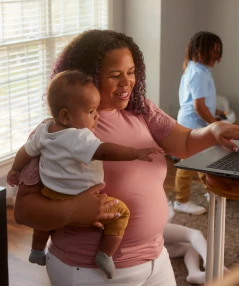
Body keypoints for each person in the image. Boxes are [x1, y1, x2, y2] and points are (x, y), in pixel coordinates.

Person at [14, 29, 239, 286]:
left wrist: (213, 130)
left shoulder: (141, 110)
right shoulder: (57, 133)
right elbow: (24, 210)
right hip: (89, 272)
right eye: (115, 75)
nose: (127, 83)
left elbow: (183, 142)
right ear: (87, 78)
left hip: (156, 259)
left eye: (131, 72)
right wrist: (71, 211)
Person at [7, 70, 163, 279]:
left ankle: (36, 250)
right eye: (91, 112)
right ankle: (105, 254)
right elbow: (104, 150)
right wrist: (135, 153)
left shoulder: (44, 131)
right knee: (121, 214)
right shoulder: (78, 138)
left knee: (44, 225)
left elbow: (25, 152)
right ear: (65, 116)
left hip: (50, 194)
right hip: (82, 198)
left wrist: (15, 170)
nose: (96, 116)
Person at [174, 31, 226, 215]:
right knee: (189, 162)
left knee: (203, 160)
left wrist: (216, 114)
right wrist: (215, 124)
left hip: (196, 122)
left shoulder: (199, 69)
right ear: (202, 50)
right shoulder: (198, 73)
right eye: (214, 50)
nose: (217, 55)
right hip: (192, 124)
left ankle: (211, 191)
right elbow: (198, 106)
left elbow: (201, 102)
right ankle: (181, 200)